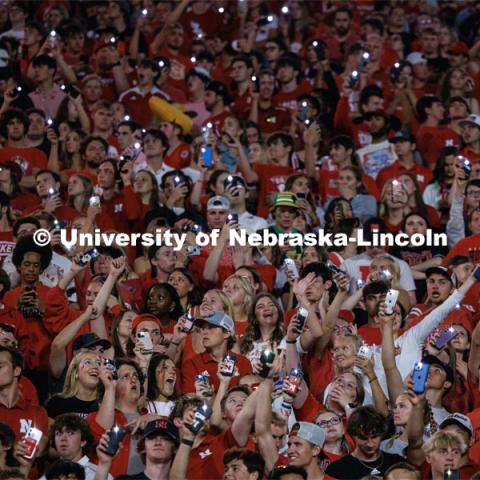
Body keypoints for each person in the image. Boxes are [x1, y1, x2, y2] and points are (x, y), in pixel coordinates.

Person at [325, 406, 404, 478]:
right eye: (363, 438)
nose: (370, 444)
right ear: (353, 435)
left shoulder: (396, 462)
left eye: (374, 437)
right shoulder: (337, 470)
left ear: (382, 434)